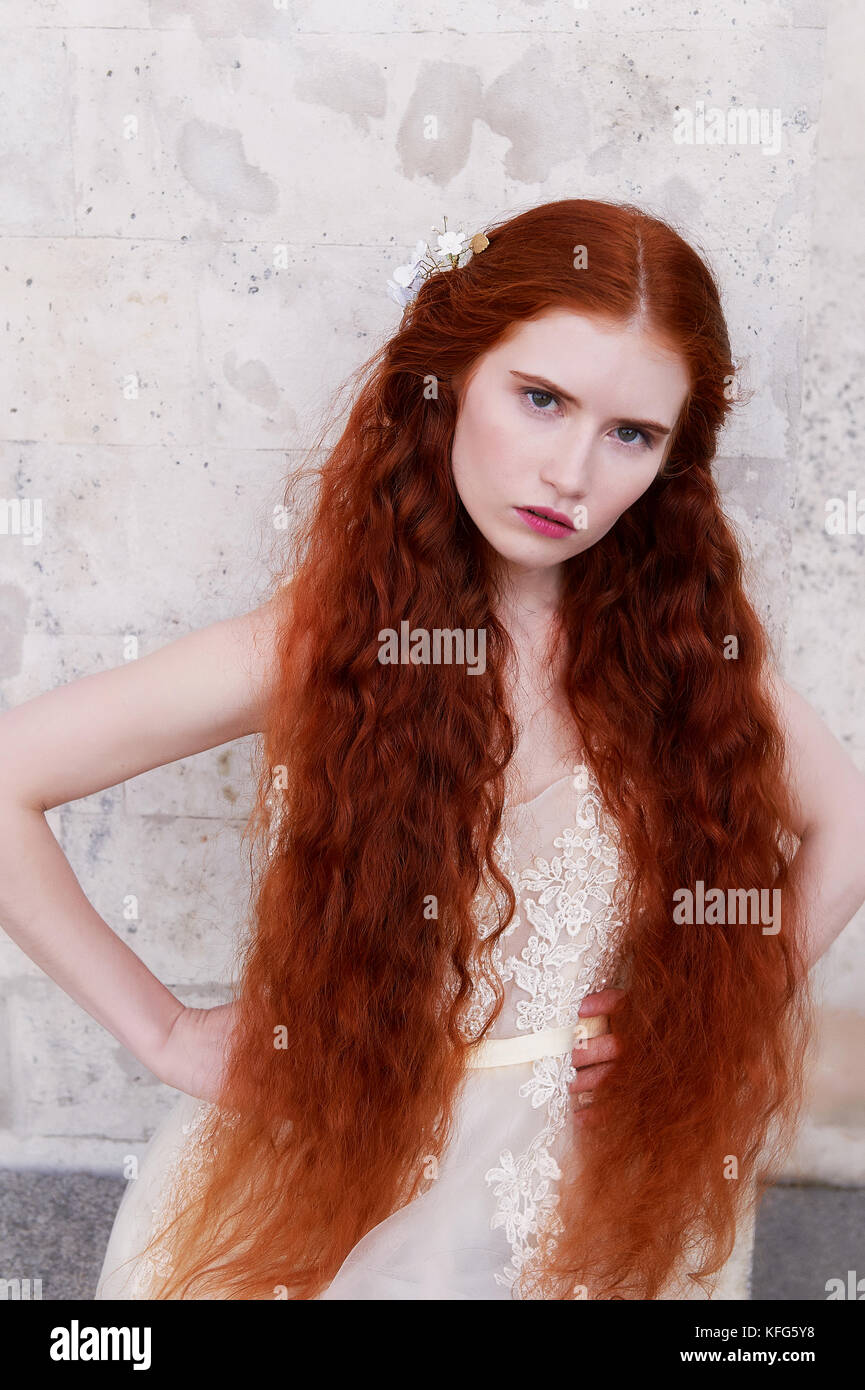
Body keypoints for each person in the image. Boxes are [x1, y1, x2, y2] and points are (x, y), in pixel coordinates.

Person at [1, 198, 863, 1301]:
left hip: (593, 1173)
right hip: (348, 1147)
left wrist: (725, 1007)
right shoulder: (318, 646)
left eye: (630, 434)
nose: (569, 473)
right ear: (451, 375)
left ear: (670, 460)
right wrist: (166, 1033)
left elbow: (848, 818)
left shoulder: (685, 653)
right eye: (540, 399)